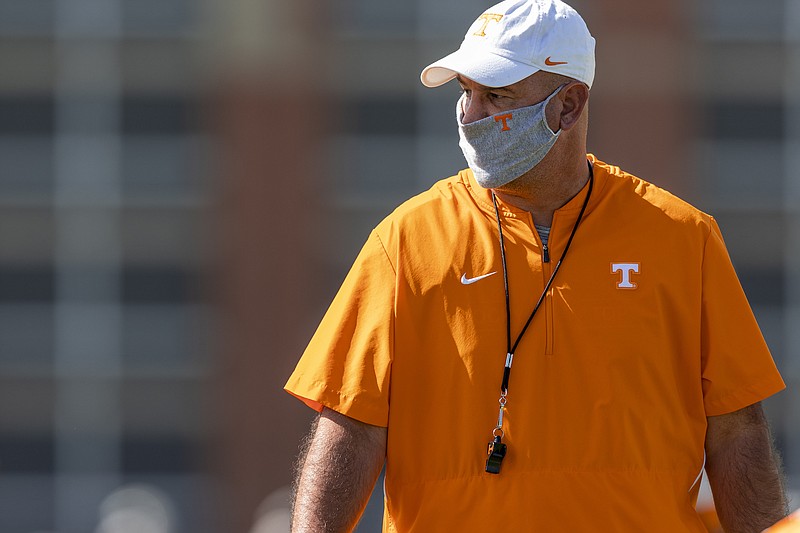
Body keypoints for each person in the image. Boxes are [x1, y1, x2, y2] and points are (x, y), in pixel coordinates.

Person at [285, 0, 789, 531]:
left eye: (496, 95)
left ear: (570, 104)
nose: (472, 115)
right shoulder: (405, 241)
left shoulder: (685, 241)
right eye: (466, 93)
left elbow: (737, 433)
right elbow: (351, 430)